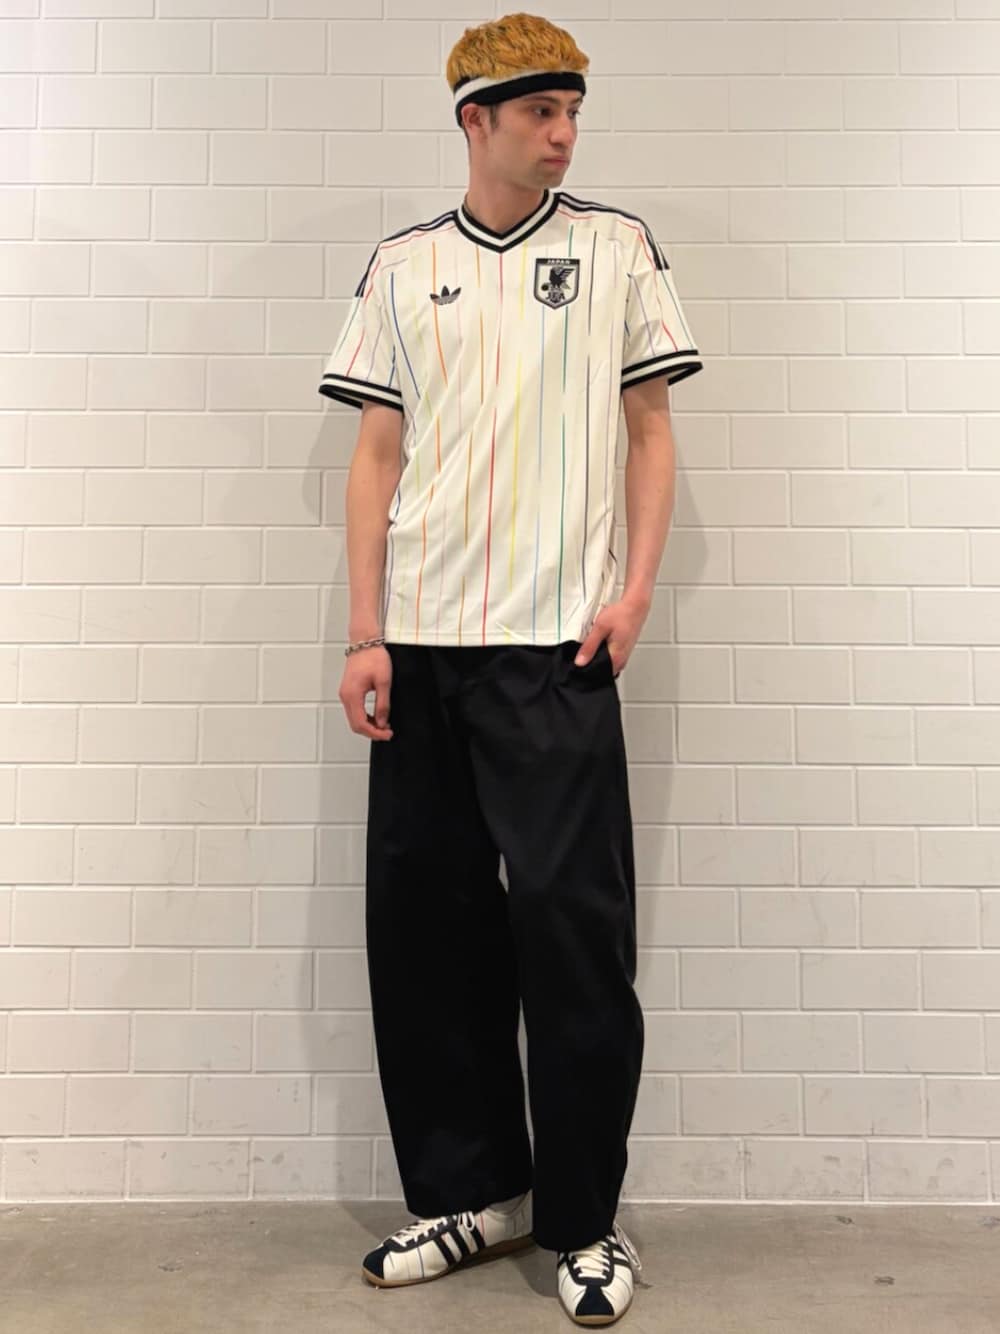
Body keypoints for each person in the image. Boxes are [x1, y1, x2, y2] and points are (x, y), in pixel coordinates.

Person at [319, 12, 703, 1326]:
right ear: (474, 119)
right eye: (541, 111)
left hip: (557, 652)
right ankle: (475, 1192)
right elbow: (377, 456)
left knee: (572, 940)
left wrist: (633, 592)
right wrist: (364, 629)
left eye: (574, 111)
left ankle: (586, 1222)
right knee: (428, 936)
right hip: (422, 654)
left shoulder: (616, 250)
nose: (564, 134)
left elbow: (649, 431)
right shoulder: (403, 264)